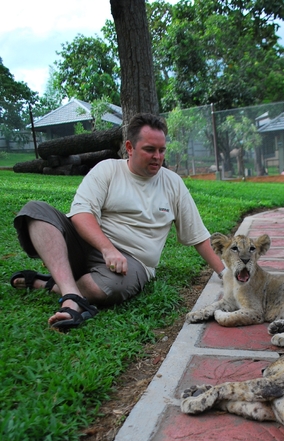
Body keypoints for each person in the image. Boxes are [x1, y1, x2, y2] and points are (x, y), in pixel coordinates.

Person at [11, 113, 225, 331]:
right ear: (130, 148)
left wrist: (225, 274)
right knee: (35, 210)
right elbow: (81, 214)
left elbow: (198, 236)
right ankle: (71, 295)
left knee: (106, 289)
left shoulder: (173, 184)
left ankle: (50, 283)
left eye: (162, 150)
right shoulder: (108, 170)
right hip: (91, 245)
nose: (158, 157)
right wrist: (107, 249)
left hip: (133, 260)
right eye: (150, 150)